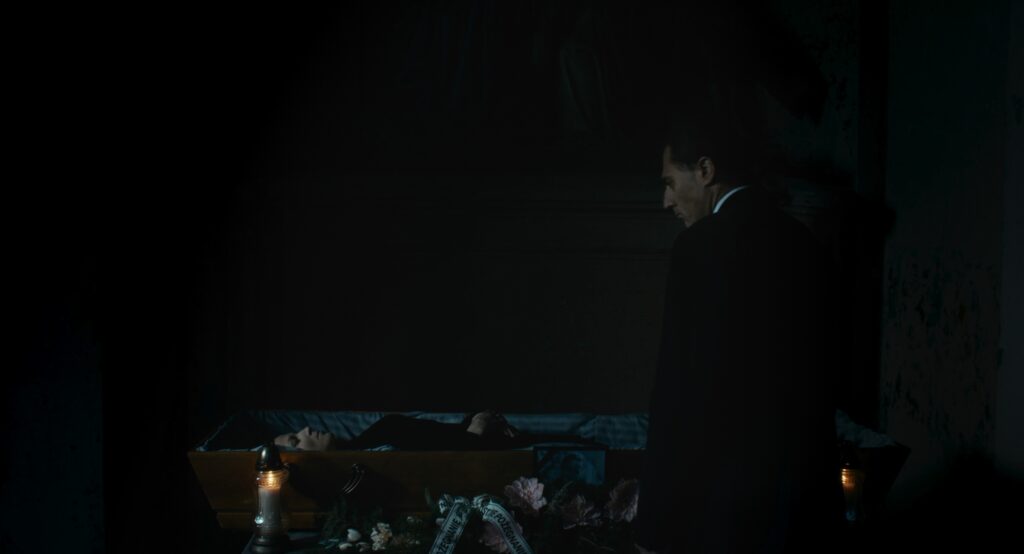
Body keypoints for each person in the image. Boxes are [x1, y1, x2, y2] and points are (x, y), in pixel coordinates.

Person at [633, 112, 843, 553]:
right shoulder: (803, 241)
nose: (666, 201)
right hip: (799, 496)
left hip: (723, 501)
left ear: (705, 170)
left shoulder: (699, 247)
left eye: (670, 182)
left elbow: (678, 389)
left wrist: (654, 524)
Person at [273, 410, 603, 451]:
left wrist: (476, 422)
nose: (306, 428)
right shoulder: (377, 455)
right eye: (295, 439)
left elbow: (435, 435)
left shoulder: (370, 439)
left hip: (486, 441)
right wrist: (475, 430)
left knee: (579, 444)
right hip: (485, 452)